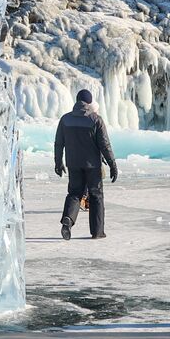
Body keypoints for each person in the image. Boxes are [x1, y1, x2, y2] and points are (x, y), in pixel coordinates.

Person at [53, 89, 118, 240]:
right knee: (96, 196)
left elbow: (58, 143)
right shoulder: (96, 119)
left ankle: (68, 220)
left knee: (75, 193)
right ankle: (97, 232)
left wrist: (58, 162)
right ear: (89, 102)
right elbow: (105, 145)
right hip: (92, 165)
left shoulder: (65, 119)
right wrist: (112, 164)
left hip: (73, 164)